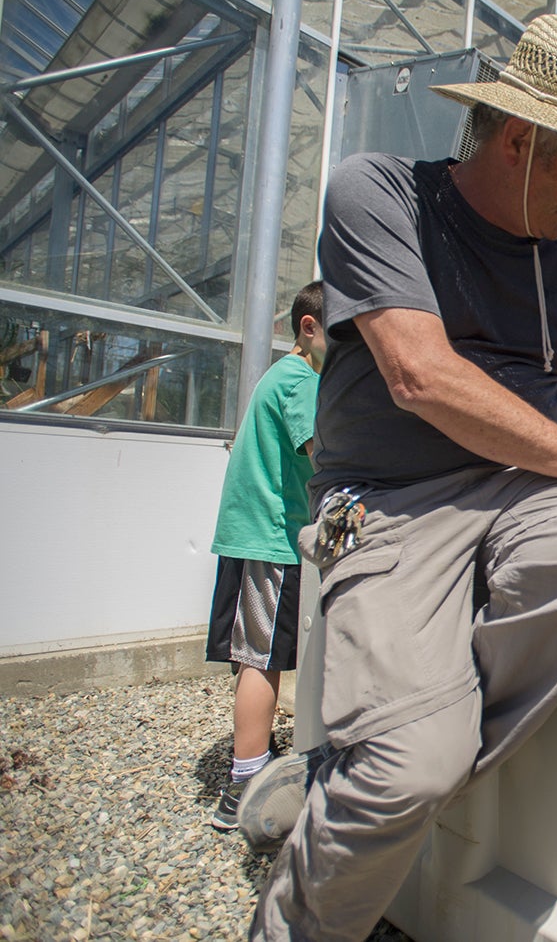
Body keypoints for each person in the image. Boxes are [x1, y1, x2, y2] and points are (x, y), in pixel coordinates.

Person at [240, 14, 557, 940]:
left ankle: (372, 753)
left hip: (522, 496)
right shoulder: (379, 194)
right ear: (519, 138)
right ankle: (349, 826)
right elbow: (418, 376)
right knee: (408, 770)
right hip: (389, 504)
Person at [205, 281, 325, 831]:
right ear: (309, 328)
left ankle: (253, 761)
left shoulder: (283, 376)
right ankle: (244, 785)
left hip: (258, 534)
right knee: (262, 657)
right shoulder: (300, 379)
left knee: (260, 653)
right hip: (272, 537)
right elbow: (323, 453)